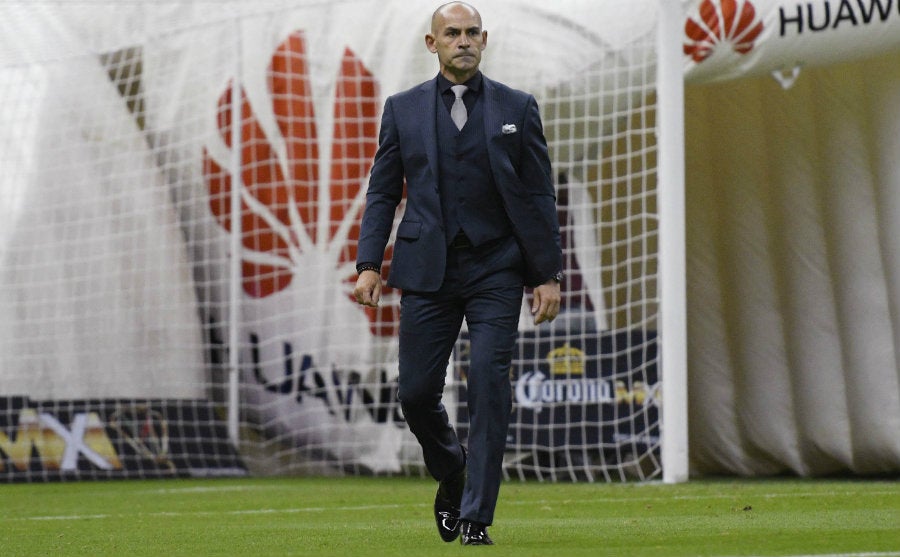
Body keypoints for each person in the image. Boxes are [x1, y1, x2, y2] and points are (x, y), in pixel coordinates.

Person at [353, 1, 562, 546]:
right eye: (452, 33)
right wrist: (369, 264)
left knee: (490, 386)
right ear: (433, 44)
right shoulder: (401, 109)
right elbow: (382, 191)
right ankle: (452, 471)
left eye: (472, 33)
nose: (463, 40)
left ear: (484, 39)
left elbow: (540, 194)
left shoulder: (519, 106)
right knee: (417, 395)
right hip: (428, 269)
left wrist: (546, 274)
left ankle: (475, 518)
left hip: (497, 267)